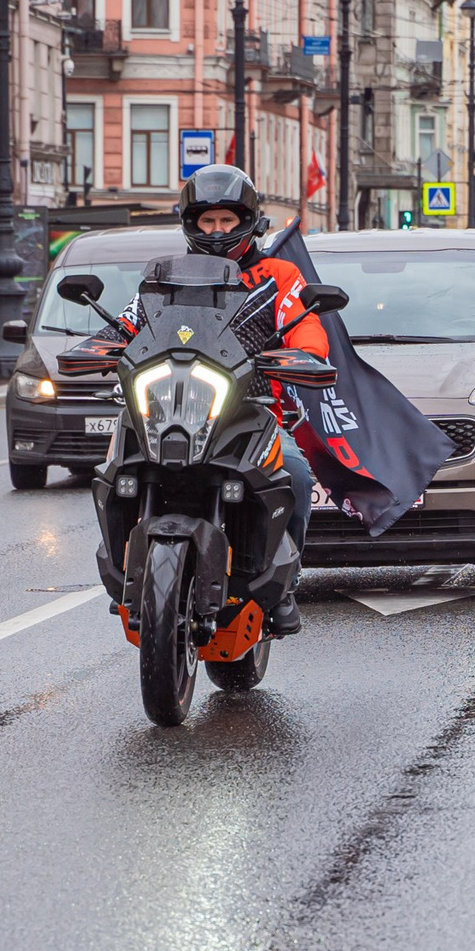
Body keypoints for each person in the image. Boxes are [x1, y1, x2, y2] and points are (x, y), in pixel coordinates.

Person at [105, 164, 322, 632]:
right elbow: (128, 322)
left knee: (298, 475)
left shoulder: (277, 275)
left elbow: (304, 323)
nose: (218, 231)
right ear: (191, 224)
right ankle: (126, 569)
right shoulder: (165, 278)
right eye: (208, 221)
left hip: (252, 411)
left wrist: (304, 352)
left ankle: (284, 584)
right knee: (114, 468)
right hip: (170, 407)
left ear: (247, 220)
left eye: (227, 220)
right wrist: (95, 347)